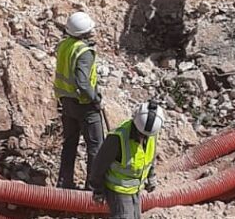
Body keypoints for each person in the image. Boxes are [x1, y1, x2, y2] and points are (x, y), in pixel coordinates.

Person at [53, 11, 104, 189]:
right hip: (84, 105)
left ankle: (64, 183)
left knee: (69, 144)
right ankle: (92, 188)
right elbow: (83, 81)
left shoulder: (65, 45)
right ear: (85, 32)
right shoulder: (84, 52)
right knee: (96, 147)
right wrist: (95, 98)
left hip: (66, 103)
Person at [88, 101, 164, 219]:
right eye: (140, 134)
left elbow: (150, 155)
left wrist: (151, 175)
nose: (142, 138)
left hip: (136, 188)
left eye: (146, 136)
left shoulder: (151, 133)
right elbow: (99, 165)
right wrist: (98, 190)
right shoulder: (117, 138)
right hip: (117, 190)